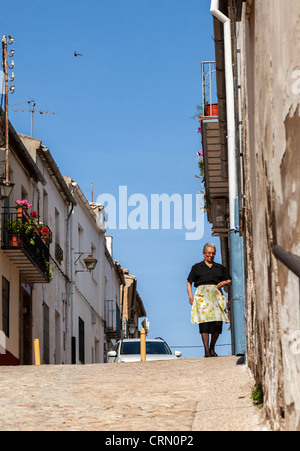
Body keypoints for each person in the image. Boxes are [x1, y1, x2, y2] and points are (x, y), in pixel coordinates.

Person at [187, 243, 231, 358]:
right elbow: (189, 282)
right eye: (208, 253)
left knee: (217, 323)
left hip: (216, 297)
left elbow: (229, 280)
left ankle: (212, 347)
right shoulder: (197, 267)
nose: (211, 255)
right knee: (204, 323)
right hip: (202, 297)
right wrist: (190, 296)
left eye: (213, 253)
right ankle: (206, 350)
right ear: (204, 254)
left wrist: (224, 282)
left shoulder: (220, 267)